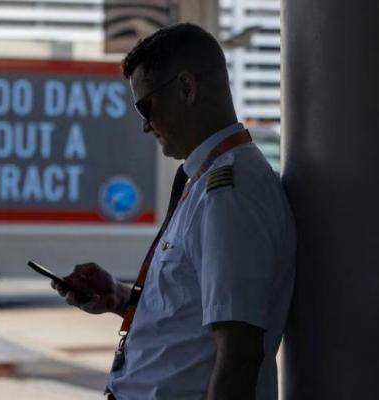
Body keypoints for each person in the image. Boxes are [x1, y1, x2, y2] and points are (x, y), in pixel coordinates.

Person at [51, 23, 296, 400]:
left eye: (145, 106)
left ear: (186, 88)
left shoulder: (229, 193)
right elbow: (187, 316)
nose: (145, 126)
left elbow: (239, 354)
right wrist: (117, 296)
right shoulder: (203, 180)